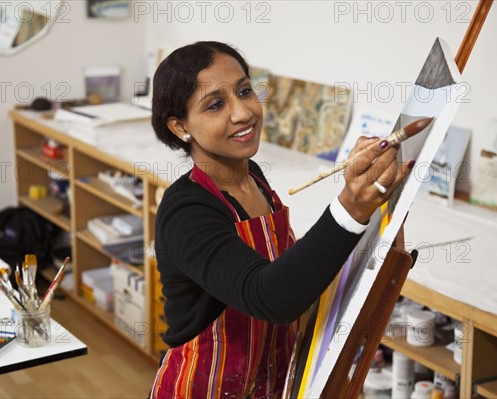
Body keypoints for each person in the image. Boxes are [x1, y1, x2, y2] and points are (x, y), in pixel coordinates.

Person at [149, 41, 414, 398]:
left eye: (245, 91)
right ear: (180, 126)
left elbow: (287, 270)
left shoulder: (253, 177)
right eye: (215, 105)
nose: (243, 112)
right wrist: (350, 208)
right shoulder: (185, 212)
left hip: (272, 384)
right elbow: (270, 297)